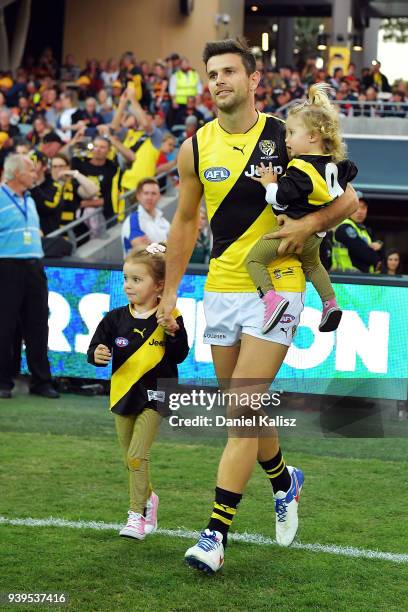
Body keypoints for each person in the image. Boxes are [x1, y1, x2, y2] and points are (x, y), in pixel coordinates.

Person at [157, 38, 357, 574]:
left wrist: (312, 224)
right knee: (240, 406)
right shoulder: (193, 147)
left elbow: (346, 198)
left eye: (228, 71)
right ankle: (284, 479)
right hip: (220, 286)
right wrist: (171, 292)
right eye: (211, 73)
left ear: (252, 80)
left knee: (244, 406)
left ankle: (215, 533)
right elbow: (183, 223)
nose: (218, 80)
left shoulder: (284, 133)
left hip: (279, 281)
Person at [87, 243, 189, 539]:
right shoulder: (115, 318)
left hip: (158, 394)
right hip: (123, 394)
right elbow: (94, 348)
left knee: (136, 455)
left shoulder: (170, 315)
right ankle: (150, 498)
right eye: (126, 279)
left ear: (159, 286)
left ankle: (136, 516)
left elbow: (180, 354)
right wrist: (97, 354)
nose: (128, 286)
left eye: (136, 279)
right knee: (129, 459)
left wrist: (173, 332)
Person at [245, 83, 357, 334]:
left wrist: (268, 183)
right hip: (317, 236)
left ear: (312, 137)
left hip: (293, 229)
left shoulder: (300, 169)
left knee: (253, 259)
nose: (286, 140)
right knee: (314, 266)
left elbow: (278, 198)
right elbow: (345, 183)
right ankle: (330, 303)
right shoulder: (333, 165)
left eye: (291, 133)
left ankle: (272, 301)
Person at [0, 154, 59, 399]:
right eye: (30, 170)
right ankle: (2, 382)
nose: (35, 174)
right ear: (16, 173)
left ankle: (41, 382)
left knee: (38, 324)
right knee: (4, 325)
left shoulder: (30, 199)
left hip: (34, 265)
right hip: (7, 265)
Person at [331, 192, 382, 273]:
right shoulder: (344, 227)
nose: (360, 211)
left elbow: (381, 250)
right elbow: (364, 253)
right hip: (345, 279)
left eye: (363, 208)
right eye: (356, 207)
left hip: (361, 279)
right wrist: (376, 259)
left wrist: (379, 246)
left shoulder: (365, 230)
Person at [121, 178, 170, 256]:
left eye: (153, 193)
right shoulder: (133, 221)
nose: (149, 197)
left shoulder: (164, 222)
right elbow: (144, 251)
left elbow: (176, 249)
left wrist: (151, 244)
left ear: (159, 196)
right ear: (138, 196)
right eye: (146, 193)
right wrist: (166, 247)